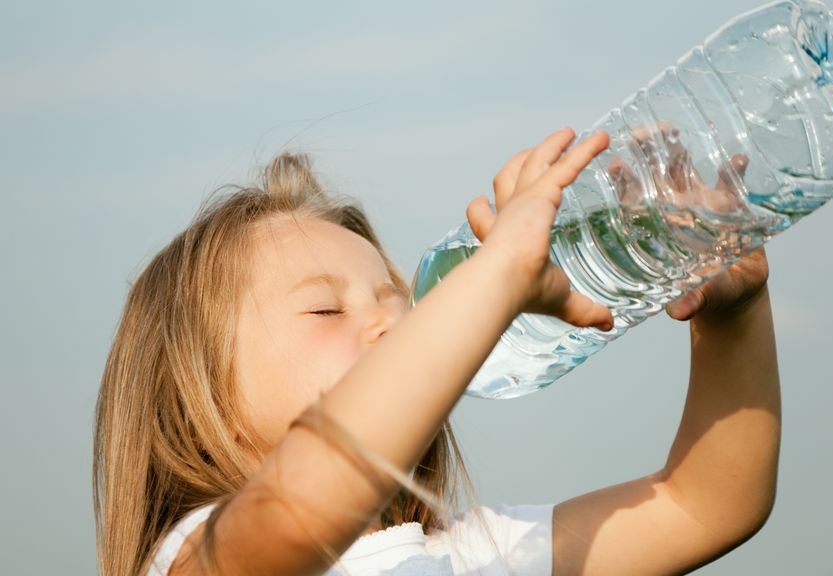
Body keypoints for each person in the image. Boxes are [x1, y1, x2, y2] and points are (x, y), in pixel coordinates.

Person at [93, 127, 780, 576]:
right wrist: (501, 269)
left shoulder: (472, 555)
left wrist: (733, 319)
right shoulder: (203, 555)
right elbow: (301, 502)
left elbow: (702, 506)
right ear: (198, 408)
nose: (395, 325)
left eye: (398, 300)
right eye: (327, 308)